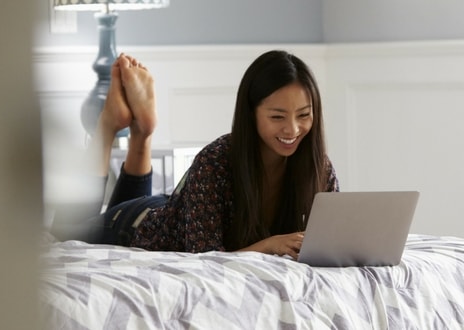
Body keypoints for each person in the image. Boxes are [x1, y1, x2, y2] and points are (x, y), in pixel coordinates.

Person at [51, 50, 339, 260]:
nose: (293, 129)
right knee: (61, 234)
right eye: (277, 116)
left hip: (175, 207)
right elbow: (203, 258)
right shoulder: (216, 160)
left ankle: (141, 133)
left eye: (304, 115)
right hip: (138, 226)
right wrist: (269, 245)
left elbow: (336, 241)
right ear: (250, 114)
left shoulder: (318, 167)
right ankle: (107, 128)